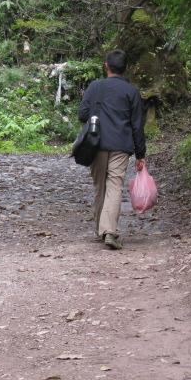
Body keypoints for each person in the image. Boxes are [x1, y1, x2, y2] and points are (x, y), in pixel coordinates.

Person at [79, 49, 146, 250]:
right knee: (115, 186)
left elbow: (82, 114)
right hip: (121, 146)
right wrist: (140, 154)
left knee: (100, 186)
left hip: (96, 143)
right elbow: (137, 126)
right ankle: (109, 231)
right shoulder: (131, 92)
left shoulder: (95, 87)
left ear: (106, 65)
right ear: (126, 69)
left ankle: (101, 230)